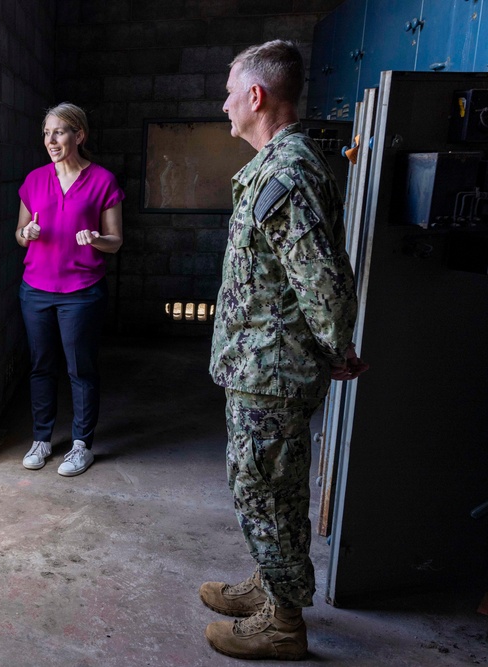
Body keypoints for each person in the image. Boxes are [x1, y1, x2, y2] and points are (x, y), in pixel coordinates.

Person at [202, 40, 369, 660]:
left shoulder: (284, 173)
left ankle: (283, 623)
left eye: (228, 93)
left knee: (262, 490)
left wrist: (339, 347)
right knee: (278, 487)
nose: (223, 105)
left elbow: (319, 275)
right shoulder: (282, 165)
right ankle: (275, 588)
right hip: (264, 363)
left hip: (271, 369)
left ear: (256, 96)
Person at [14, 102, 124, 477]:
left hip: (82, 291)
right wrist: (25, 233)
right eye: (47, 133)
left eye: (59, 132)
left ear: (79, 135)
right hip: (35, 291)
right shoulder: (34, 180)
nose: (51, 140)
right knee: (41, 367)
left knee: (80, 368)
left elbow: (116, 241)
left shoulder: (102, 181)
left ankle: (81, 445)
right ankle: (42, 439)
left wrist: (96, 239)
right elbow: (19, 234)